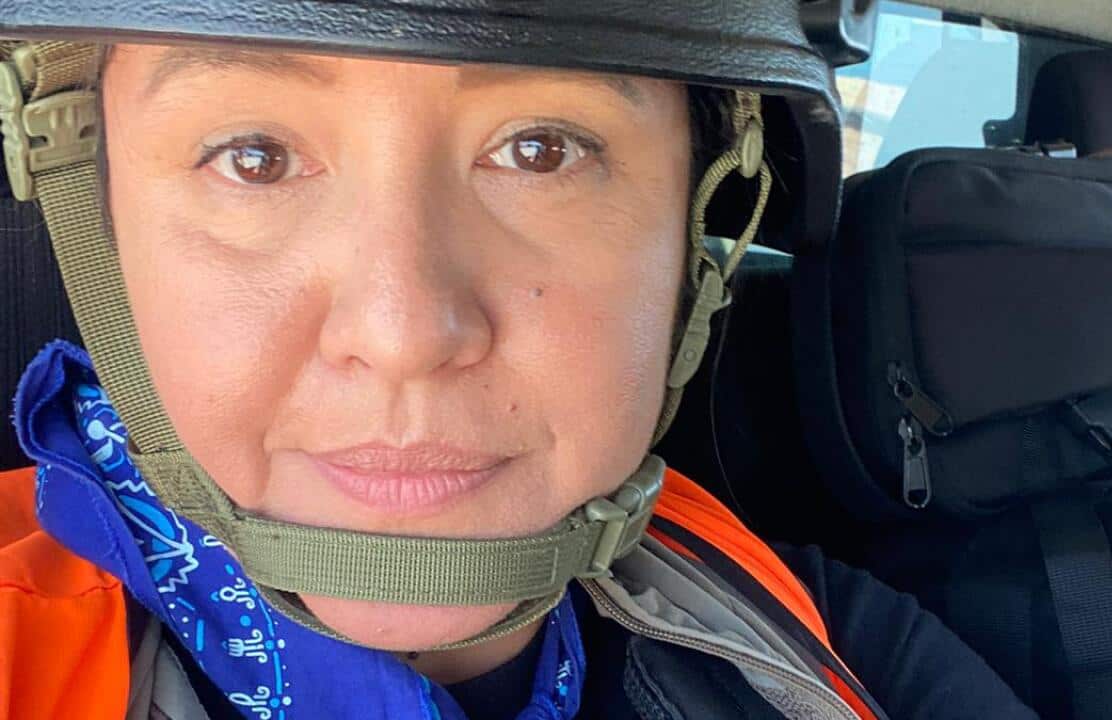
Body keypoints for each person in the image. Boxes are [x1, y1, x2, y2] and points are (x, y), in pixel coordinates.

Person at [0, 4, 1037, 719]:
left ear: (693, 237)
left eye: (541, 150)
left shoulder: (804, 626)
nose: (404, 334)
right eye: (254, 158)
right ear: (98, 226)